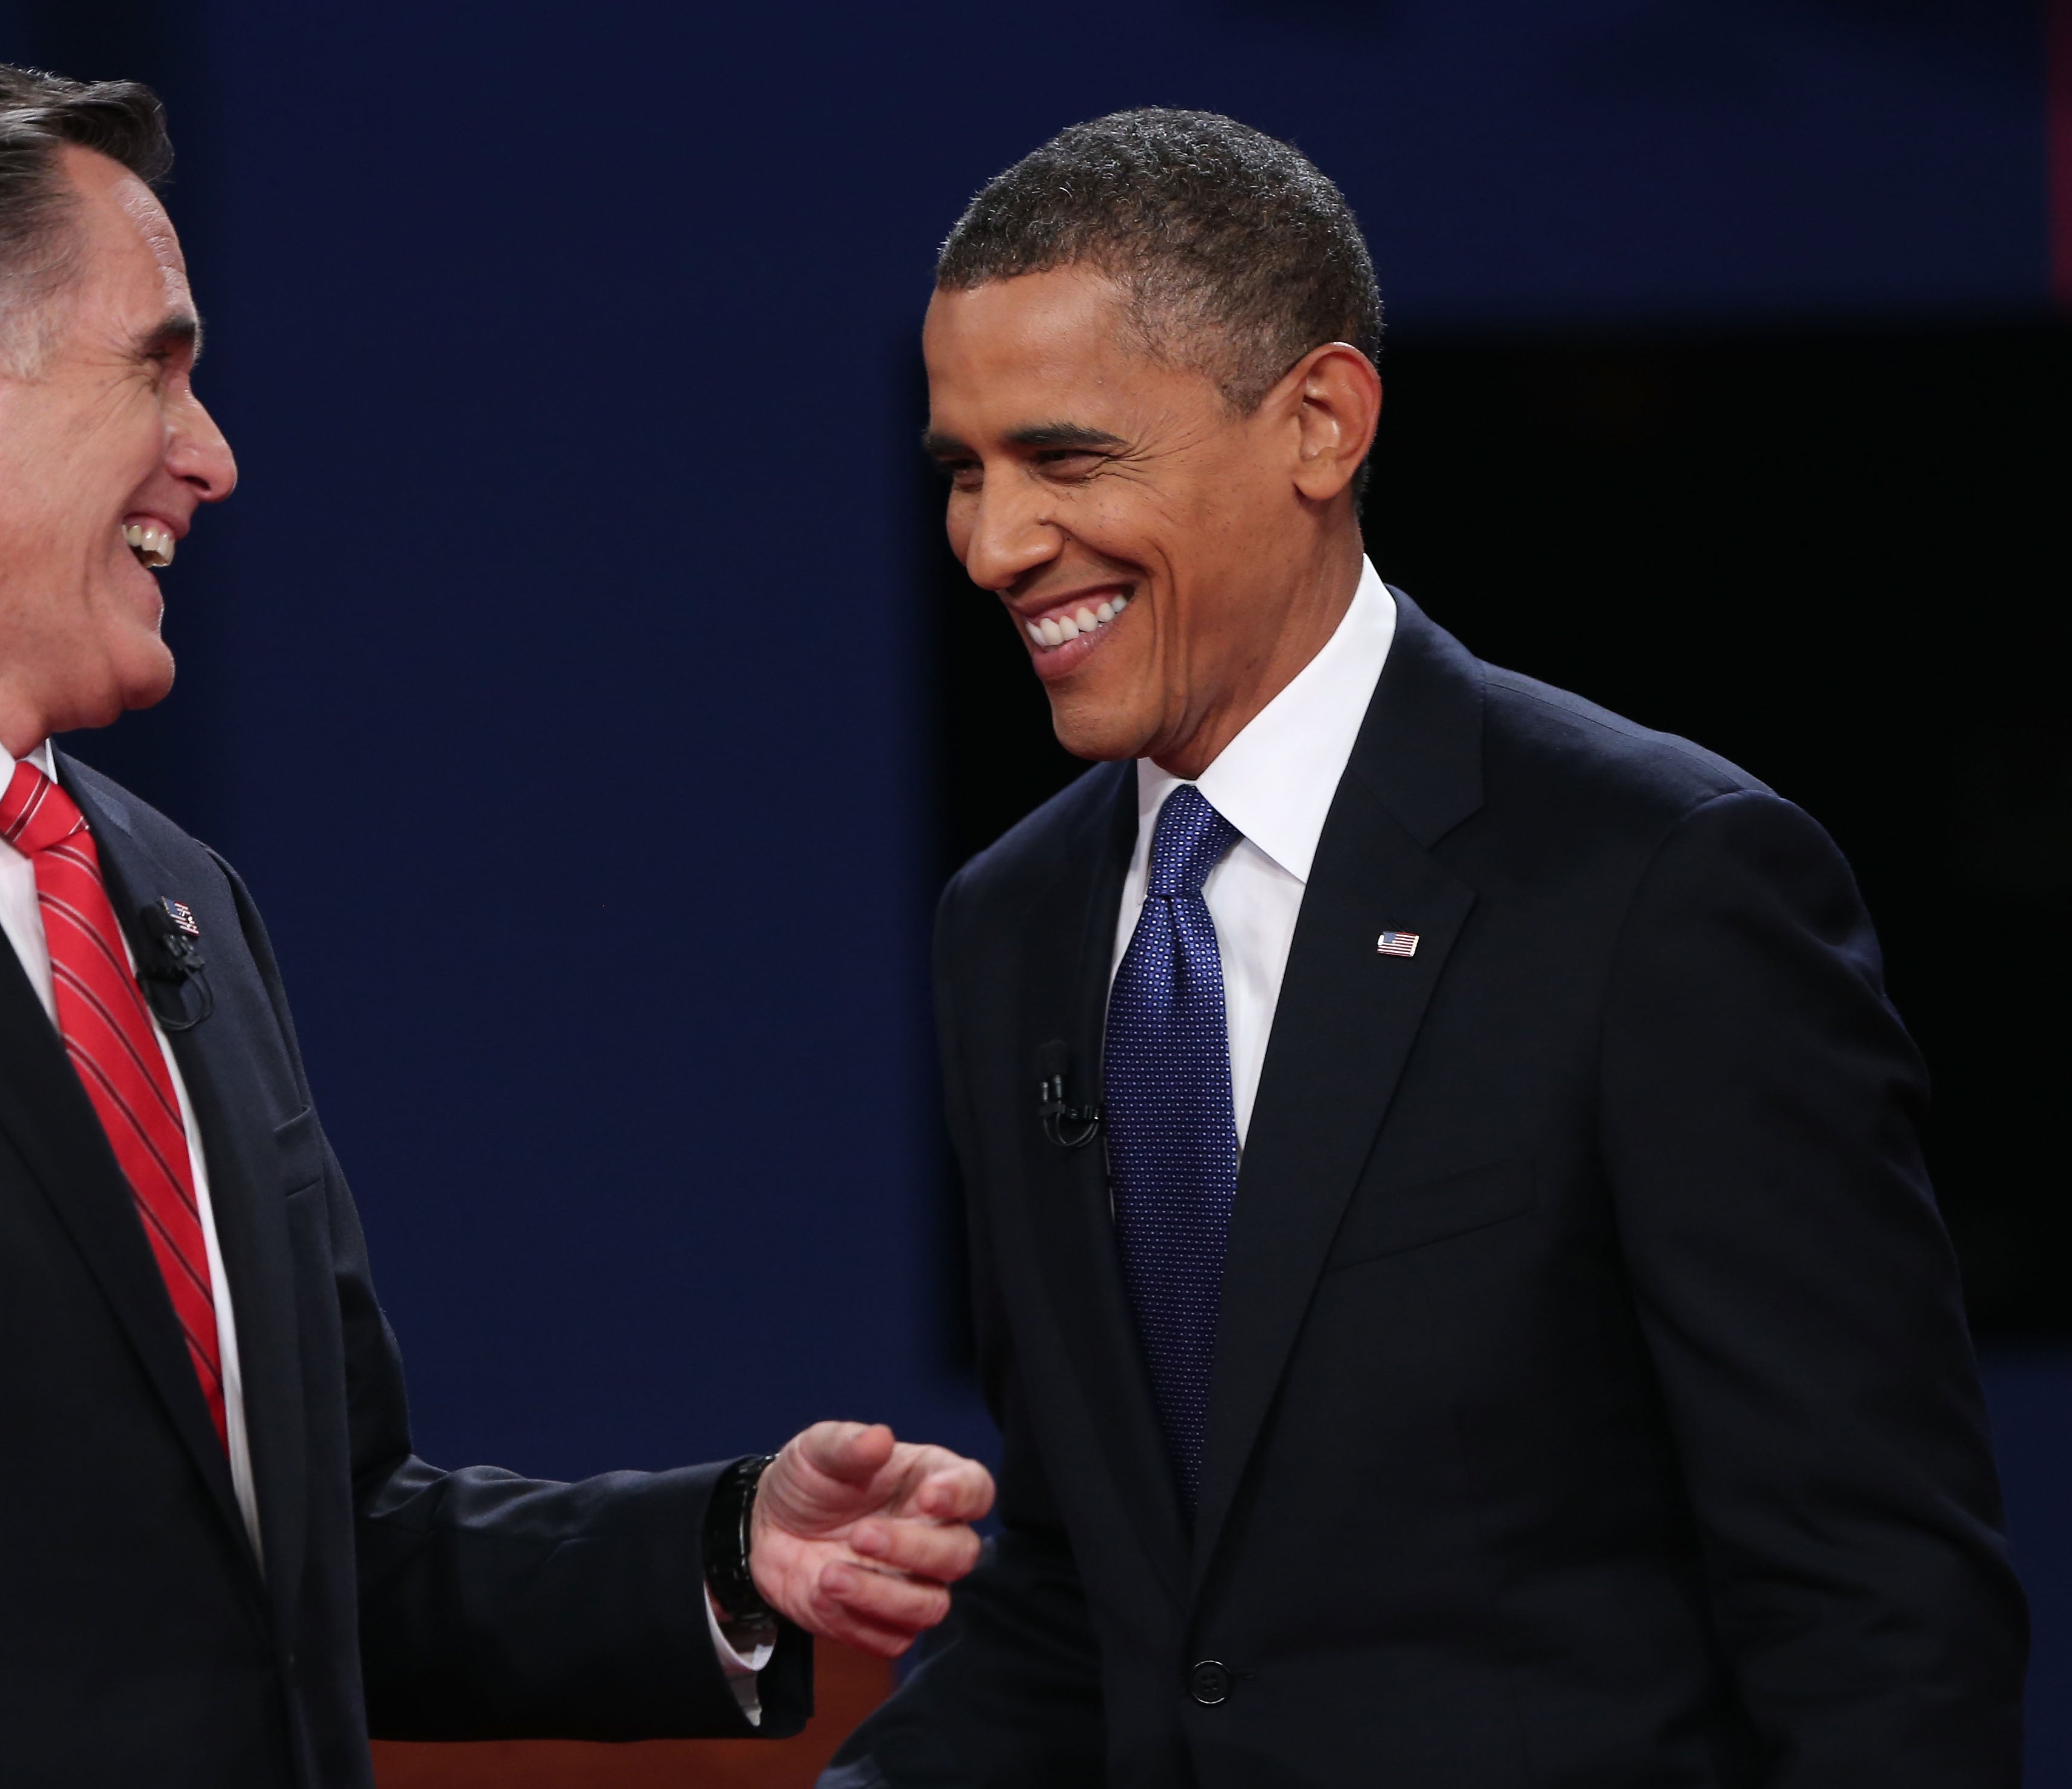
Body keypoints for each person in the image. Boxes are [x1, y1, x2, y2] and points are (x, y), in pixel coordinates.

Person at [0, 50, 992, 1789]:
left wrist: (722, 1549)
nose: (213, 457)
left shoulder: (169, 890)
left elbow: (309, 1557)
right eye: (159, 367)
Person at [824, 109, 2026, 1788]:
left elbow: (1875, 1610)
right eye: (963, 468)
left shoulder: (1660, 885)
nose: (993, 542)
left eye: (1067, 459)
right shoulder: (1010, 928)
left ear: (1317, 422)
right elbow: (1099, 1606)